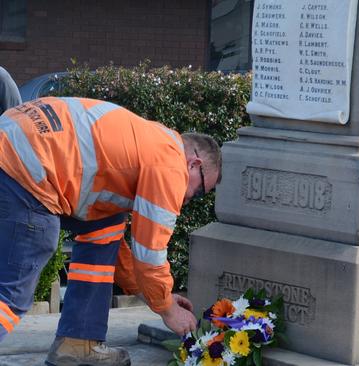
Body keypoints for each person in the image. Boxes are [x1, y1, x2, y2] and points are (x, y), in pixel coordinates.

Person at [0, 96, 222, 366]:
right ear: (194, 164)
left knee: (107, 227)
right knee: (14, 286)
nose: (189, 200)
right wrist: (167, 310)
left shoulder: (148, 142)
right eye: (199, 191)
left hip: (15, 144)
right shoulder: (170, 163)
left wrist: (153, 296)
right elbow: (150, 253)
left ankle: (78, 342)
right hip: (24, 166)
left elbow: (119, 251)